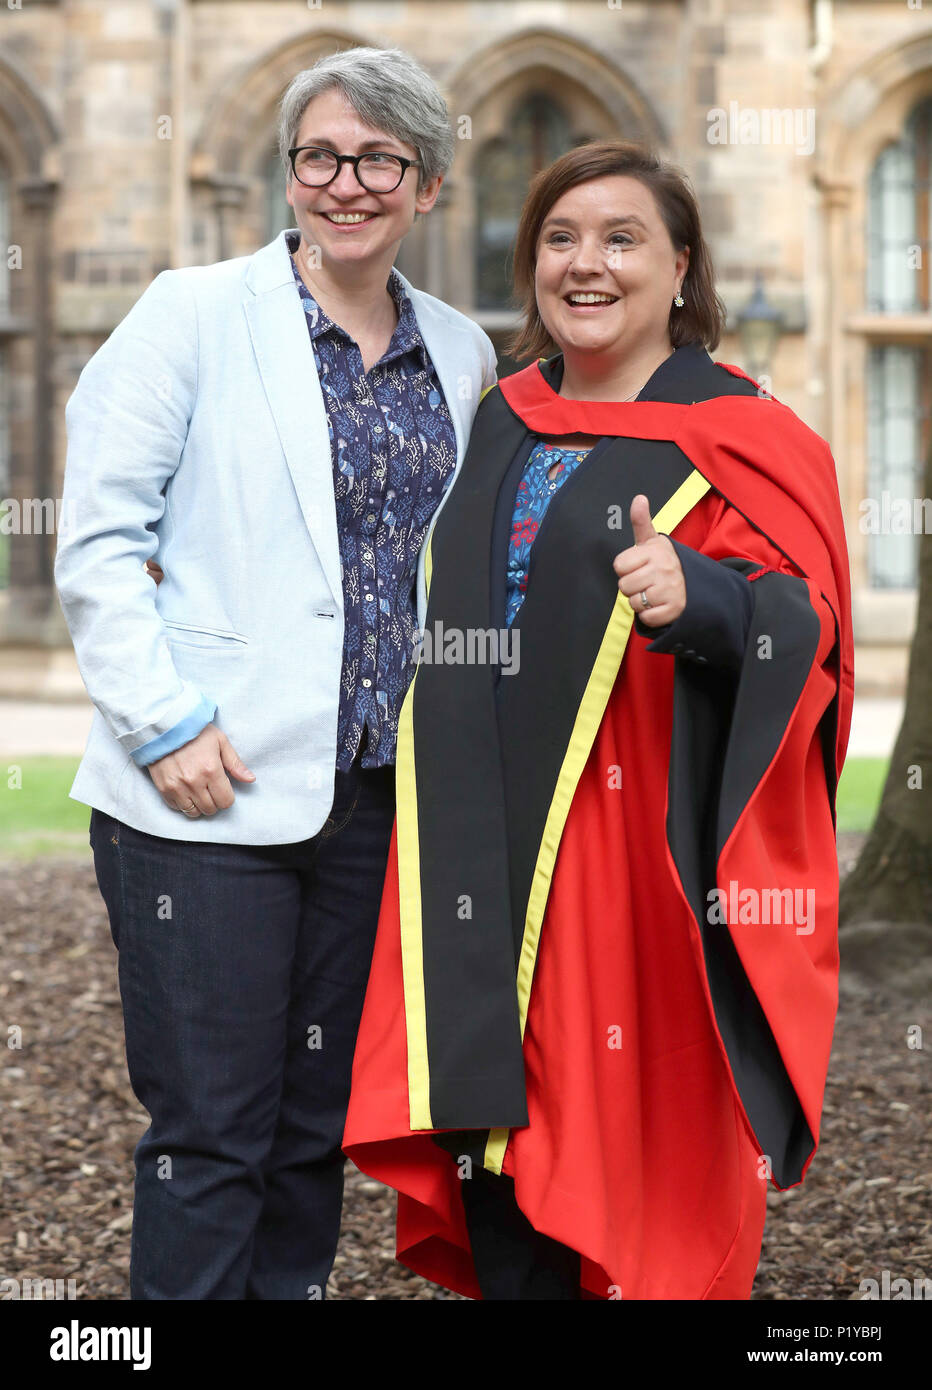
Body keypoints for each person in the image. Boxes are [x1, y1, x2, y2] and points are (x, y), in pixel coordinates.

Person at [342, 140, 854, 1300]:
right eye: (558, 240)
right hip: (483, 857)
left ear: (680, 267)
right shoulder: (502, 421)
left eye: (621, 239)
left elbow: (809, 630)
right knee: (498, 1152)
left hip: (641, 866)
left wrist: (707, 600)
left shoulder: (748, 435)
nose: (586, 264)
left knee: (633, 1150)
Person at [53, 46, 495, 1300]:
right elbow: (94, 539)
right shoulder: (189, 313)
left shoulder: (460, 353)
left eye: (376, 160)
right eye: (318, 156)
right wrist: (163, 723)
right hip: (206, 799)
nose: (343, 183)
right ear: (289, 172)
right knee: (210, 1139)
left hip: (369, 806)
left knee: (311, 1138)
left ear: (427, 186)